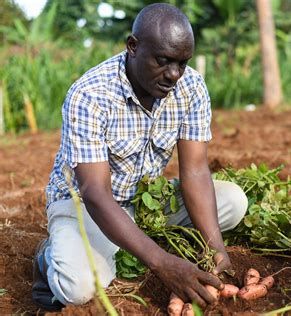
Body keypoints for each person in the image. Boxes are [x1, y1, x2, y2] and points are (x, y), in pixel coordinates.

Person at [32, 3, 247, 311]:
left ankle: (129, 243)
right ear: (133, 47)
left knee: (233, 202)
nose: (174, 74)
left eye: (182, 63)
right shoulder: (90, 95)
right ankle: (47, 255)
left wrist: (218, 252)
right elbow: (95, 194)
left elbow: (196, 172)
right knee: (76, 287)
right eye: (163, 61)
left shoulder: (191, 87)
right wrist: (162, 263)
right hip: (85, 206)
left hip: (145, 202)